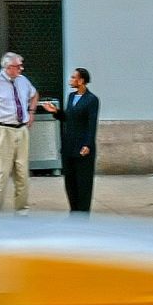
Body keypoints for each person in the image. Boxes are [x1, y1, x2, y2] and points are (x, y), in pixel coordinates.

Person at [0, 52, 50, 215]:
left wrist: (31, 112)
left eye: (21, 65)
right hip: (2, 129)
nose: (21, 69)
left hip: (21, 129)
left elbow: (34, 94)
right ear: (8, 67)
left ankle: (22, 209)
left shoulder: (22, 80)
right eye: (18, 66)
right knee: (0, 172)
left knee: (22, 171)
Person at [57, 67, 100, 213]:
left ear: (81, 81)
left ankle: (83, 214)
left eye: (74, 77)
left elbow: (91, 124)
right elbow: (68, 118)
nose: (71, 80)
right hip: (69, 146)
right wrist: (56, 112)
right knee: (70, 182)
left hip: (82, 147)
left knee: (83, 183)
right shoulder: (71, 97)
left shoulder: (92, 100)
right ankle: (73, 212)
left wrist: (88, 144)